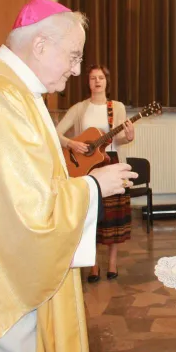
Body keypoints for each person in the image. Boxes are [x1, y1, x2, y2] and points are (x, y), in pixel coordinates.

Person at [0, 0, 137, 352]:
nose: (76, 70)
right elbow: (24, 213)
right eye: (72, 56)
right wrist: (93, 186)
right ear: (39, 46)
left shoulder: (6, 90)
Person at [57, 64, 135, 282]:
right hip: (87, 168)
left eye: (101, 77)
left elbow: (118, 138)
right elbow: (55, 133)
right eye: (93, 78)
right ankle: (92, 265)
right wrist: (72, 144)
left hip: (111, 161)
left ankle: (111, 263)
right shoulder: (79, 108)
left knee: (114, 218)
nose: (97, 81)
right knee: (92, 216)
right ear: (88, 82)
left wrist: (128, 137)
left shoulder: (116, 107)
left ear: (106, 81)